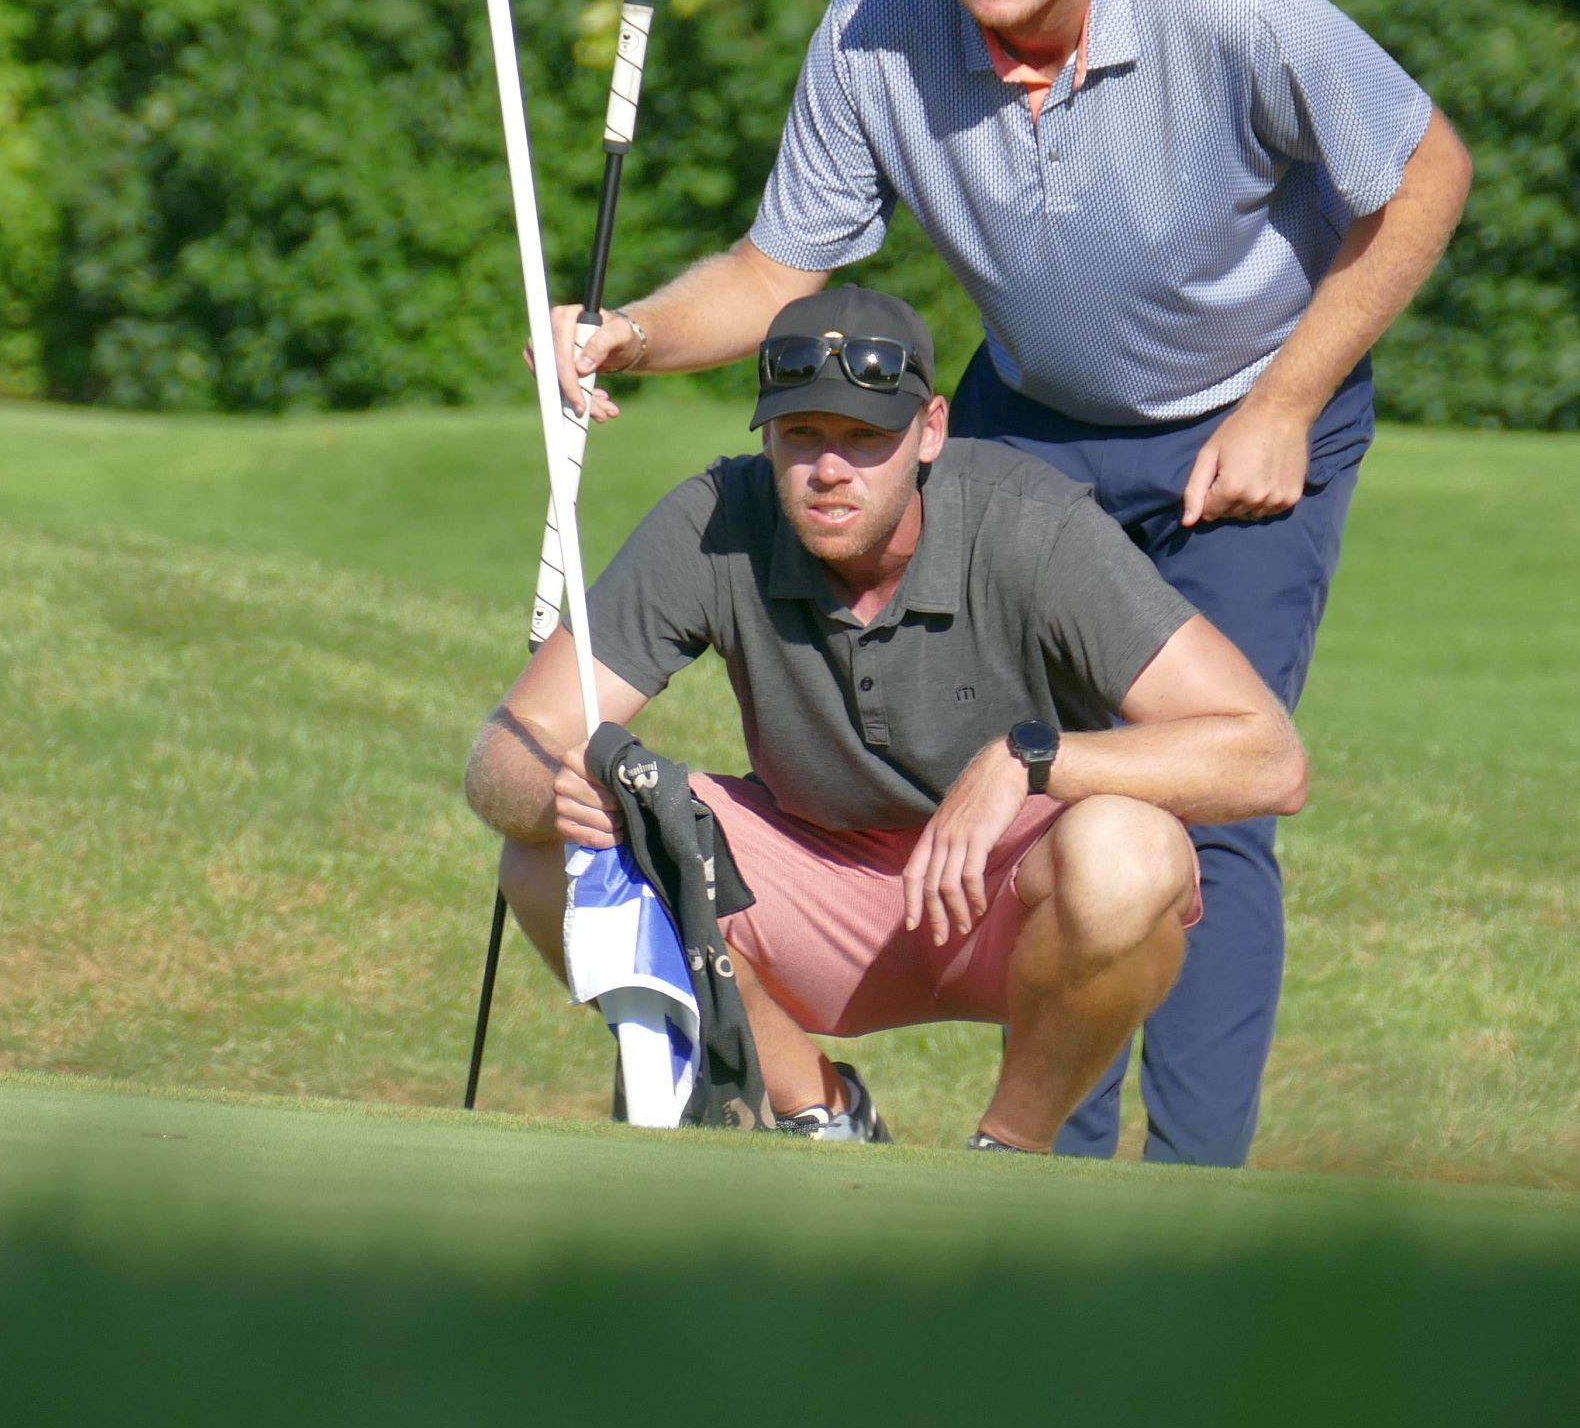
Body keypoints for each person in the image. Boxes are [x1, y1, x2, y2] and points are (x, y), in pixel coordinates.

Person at [545, 0, 1471, 1164]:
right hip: (1032, 419)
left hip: (1251, 416)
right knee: (1029, 790)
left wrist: (1288, 401)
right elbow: (777, 267)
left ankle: (1188, 1186)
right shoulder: (877, 24)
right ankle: (1040, 1174)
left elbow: (1426, 170)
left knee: (1185, 790)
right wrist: (634, 336)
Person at [465, 286, 1308, 1150]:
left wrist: (1027, 760)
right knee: (551, 861)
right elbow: (507, 752)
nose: (831, 470)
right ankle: (818, 1114)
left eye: (867, 439)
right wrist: (565, 794)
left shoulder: (1030, 521)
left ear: (931, 431)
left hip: (1009, 897)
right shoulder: (715, 520)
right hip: (810, 896)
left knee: (1132, 849)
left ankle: (1007, 1155)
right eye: (802, 437)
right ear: (767, 436)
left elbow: (1268, 757)